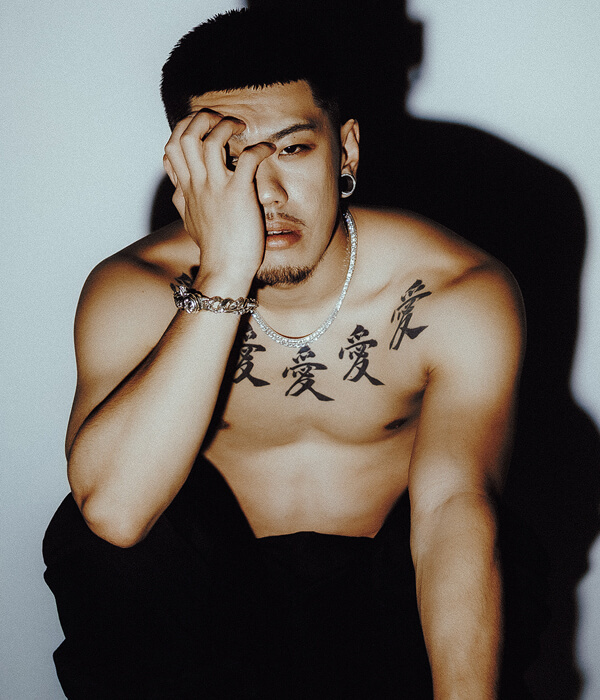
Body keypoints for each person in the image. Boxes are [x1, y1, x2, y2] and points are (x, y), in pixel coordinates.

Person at [44, 8, 525, 699]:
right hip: (209, 622)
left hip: (386, 615)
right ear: (185, 167)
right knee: (104, 549)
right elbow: (114, 516)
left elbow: (456, 509)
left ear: (346, 151)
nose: (266, 194)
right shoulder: (137, 290)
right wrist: (223, 275)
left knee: (500, 546)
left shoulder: (456, 291)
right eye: (230, 160)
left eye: (293, 150)